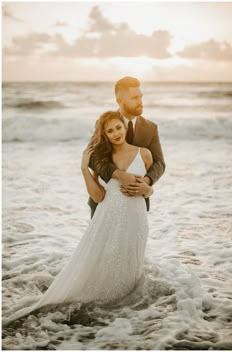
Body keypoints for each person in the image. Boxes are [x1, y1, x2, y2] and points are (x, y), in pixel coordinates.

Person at [3, 111, 155, 327]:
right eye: (110, 131)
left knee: (130, 260)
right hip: (108, 218)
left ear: (124, 126)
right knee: (107, 260)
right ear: (105, 135)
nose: (116, 133)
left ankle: (128, 310)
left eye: (118, 127)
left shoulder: (145, 154)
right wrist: (84, 168)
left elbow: (148, 190)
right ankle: (106, 310)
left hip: (137, 218)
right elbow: (98, 196)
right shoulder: (103, 161)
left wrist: (148, 189)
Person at [88, 76, 165, 218]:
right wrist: (119, 175)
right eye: (134, 98)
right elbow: (92, 158)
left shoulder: (150, 128)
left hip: (136, 203)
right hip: (105, 202)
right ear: (119, 101)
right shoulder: (104, 123)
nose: (140, 102)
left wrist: (145, 182)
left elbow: (160, 163)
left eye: (140, 97)